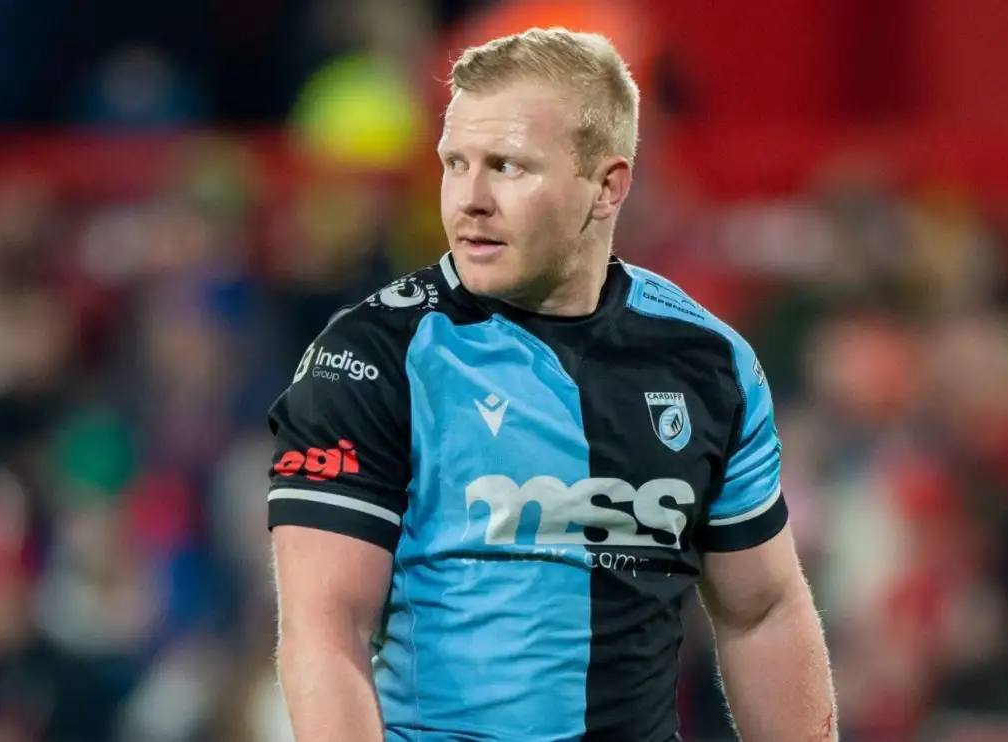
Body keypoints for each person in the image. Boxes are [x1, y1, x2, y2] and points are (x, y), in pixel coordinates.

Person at [267, 27, 836, 742]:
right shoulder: (369, 357)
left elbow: (763, 612)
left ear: (607, 187)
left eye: (507, 166)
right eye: (455, 163)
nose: (470, 198)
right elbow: (326, 633)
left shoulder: (711, 363)